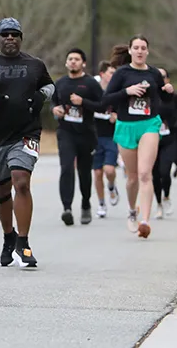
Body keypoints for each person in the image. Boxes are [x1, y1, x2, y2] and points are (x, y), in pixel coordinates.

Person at [0, 18, 54, 267]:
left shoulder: (34, 64)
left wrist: (39, 97)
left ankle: (23, 243)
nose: (10, 38)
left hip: (26, 133)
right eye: (5, 35)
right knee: (1, 189)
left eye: (15, 34)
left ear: (21, 38)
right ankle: (8, 237)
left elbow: (50, 85)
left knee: (21, 181)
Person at [103, 36, 175, 239]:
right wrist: (127, 91)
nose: (140, 51)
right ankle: (132, 211)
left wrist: (169, 91)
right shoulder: (121, 73)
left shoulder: (154, 73)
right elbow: (106, 100)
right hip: (126, 126)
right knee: (132, 177)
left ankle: (145, 220)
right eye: (136, 47)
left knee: (145, 173)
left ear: (148, 51)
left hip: (149, 124)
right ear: (130, 50)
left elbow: (164, 99)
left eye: (143, 48)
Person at [50, 48, 103, 226]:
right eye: (70, 59)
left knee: (84, 171)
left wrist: (84, 102)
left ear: (83, 63)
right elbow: (54, 102)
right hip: (65, 132)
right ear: (66, 63)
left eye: (77, 59)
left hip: (86, 133)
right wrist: (54, 109)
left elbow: (102, 106)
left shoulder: (90, 84)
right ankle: (67, 208)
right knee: (66, 168)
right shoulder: (60, 83)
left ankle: (86, 203)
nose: (73, 62)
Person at [152, 68, 177, 219]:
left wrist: (173, 125)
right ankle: (158, 203)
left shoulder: (173, 97)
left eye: (163, 77)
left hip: (169, 138)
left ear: (167, 79)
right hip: (152, 139)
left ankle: (167, 196)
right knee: (155, 174)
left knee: (165, 171)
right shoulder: (150, 96)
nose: (160, 79)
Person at [93, 61, 120, 216]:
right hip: (95, 136)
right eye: (111, 73)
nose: (113, 76)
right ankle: (102, 204)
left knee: (109, 170)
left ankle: (111, 185)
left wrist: (116, 116)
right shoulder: (93, 91)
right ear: (102, 74)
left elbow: (123, 111)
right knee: (97, 173)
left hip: (111, 136)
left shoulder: (116, 93)